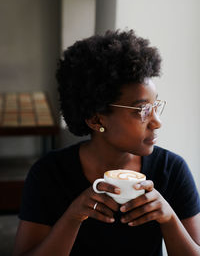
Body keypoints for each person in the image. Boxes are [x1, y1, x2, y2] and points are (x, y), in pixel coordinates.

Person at [13, 30, 200, 256]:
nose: (156, 122)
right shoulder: (49, 174)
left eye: (155, 106)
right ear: (96, 119)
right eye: (142, 110)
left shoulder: (171, 170)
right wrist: (72, 218)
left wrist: (169, 219)